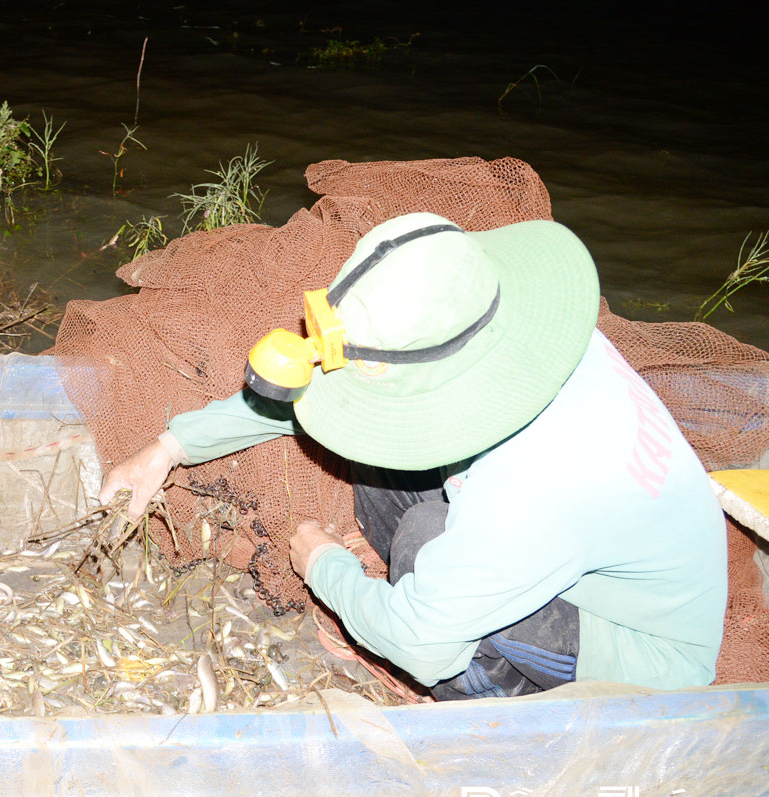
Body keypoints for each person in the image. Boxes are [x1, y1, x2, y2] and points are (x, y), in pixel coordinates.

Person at [101, 212, 727, 699]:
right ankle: (441, 588)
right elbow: (314, 388)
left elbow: (421, 644)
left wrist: (325, 566)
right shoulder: (506, 326)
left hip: (642, 649)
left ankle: (489, 696)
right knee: (376, 474)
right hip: (578, 540)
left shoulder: (526, 497)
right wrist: (168, 447)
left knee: (427, 544)